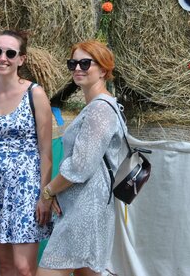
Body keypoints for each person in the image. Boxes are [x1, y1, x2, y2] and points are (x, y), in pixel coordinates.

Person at [37, 40, 125, 276]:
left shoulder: (100, 109)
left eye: (85, 63)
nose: (77, 68)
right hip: (84, 207)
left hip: (86, 210)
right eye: (73, 63)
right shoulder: (99, 106)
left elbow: (80, 166)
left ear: (104, 70)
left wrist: (48, 191)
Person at [0, 30, 54, 276]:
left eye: (10, 53)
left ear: (22, 59)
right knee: (6, 267)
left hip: (27, 189)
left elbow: (46, 151)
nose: (3, 58)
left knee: (24, 268)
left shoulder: (35, 94)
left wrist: (45, 196)